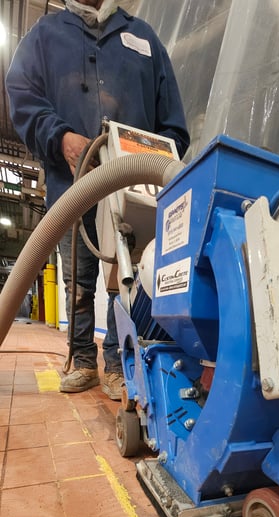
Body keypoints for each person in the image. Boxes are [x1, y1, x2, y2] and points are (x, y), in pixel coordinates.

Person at [6, 0, 189, 398]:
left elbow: (173, 123)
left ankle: (117, 363)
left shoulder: (143, 38)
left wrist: (152, 159)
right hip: (71, 184)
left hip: (132, 189)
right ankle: (84, 361)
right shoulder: (45, 36)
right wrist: (60, 138)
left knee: (125, 279)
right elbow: (21, 94)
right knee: (79, 280)